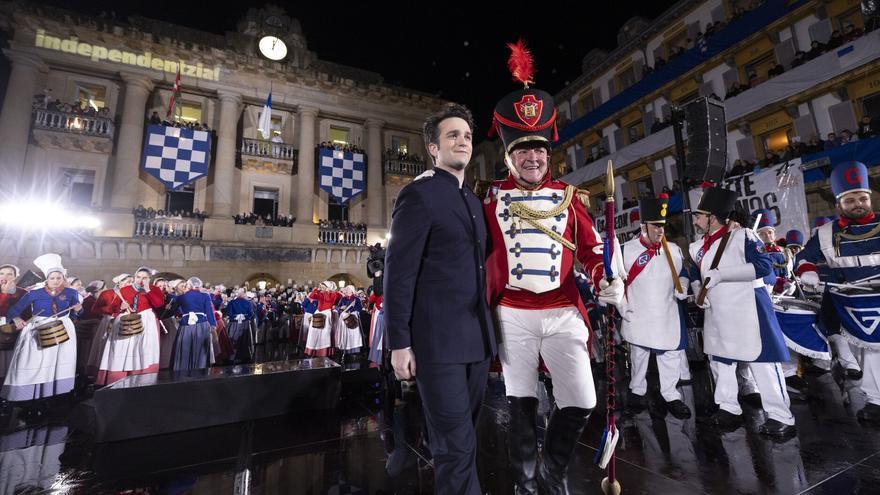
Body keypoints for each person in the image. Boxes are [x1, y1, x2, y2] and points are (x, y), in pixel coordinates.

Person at [482, 41, 620, 494]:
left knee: (582, 398)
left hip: (562, 309)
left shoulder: (569, 196)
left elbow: (591, 251)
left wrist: (605, 279)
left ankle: (552, 470)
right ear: (508, 156)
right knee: (520, 401)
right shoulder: (489, 199)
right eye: (523, 151)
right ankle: (525, 483)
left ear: (549, 153)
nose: (533, 159)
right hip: (512, 313)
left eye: (539, 150)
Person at [384, 102, 496, 495]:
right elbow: (398, 274)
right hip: (437, 344)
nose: (463, 141)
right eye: (453, 135)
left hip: (477, 343)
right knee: (455, 447)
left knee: (463, 441)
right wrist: (399, 343)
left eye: (467, 136)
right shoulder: (418, 195)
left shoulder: (474, 202)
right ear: (433, 147)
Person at [689, 187, 796, 437]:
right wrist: (697, 292)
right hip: (717, 312)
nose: (695, 221)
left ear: (712, 217)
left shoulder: (744, 235)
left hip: (748, 306)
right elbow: (696, 273)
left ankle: (781, 415)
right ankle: (728, 408)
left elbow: (763, 266)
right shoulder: (696, 247)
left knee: (763, 362)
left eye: (698, 216)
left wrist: (722, 275)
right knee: (720, 361)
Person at [795, 161, 880, 421]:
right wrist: (808, 270)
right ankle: (876, 400)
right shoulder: (824, 234)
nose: (858, 204)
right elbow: (803, 257)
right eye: (850, 200)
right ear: (838, 205)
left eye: (863, 198)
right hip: (851, 306)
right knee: (865, 353)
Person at [619, 194, 692, 419]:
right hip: (638, 312)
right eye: (655, 226)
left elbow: (683, 273)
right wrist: (622, 307)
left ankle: (671, 395)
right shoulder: (625, 250)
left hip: (666, 312)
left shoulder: (674, 249)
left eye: (662, 226)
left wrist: (683, 285)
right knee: (639, 355)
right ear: (644, 227)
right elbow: (614, 282)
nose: (660, 231)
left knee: (669, 355)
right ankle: (637, 390)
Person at [2, 254, 81, 418]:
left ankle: (53, 397)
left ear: (63, 278)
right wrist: (17, 319)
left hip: (63, 330)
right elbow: (13, 311)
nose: (56, 281)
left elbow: (75, 315)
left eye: (59, 278)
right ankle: (28, 399)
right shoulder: (34, 293)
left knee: (58, 365)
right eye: (52, 278)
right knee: (34, 363)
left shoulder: (71, 293)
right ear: (47, 278)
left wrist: (78, 310)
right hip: (37, 329)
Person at [96, 267, 163, 385]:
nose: (141, 280)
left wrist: (148, 290)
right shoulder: (125, 290)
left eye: (144, 278)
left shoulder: (154, 289)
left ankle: (141, 378)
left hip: (146, 322)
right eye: (138, 277)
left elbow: (159, 304)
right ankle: (118, 377)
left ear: (149, 279)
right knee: (121, 348)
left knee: (142, 349)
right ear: (135, 277)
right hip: (126, 321)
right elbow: (112, 308)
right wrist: (120, 307)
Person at [171, 277, 216, 371]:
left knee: (185, 347)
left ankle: (184, 370)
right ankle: (201, 370)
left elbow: (174, 310)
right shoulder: (205, 296)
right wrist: (213, 325)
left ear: (189, 285)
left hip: (186, 325)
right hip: (202, 324)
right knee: (201, 349)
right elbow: (209, 311)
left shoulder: (181, 297)